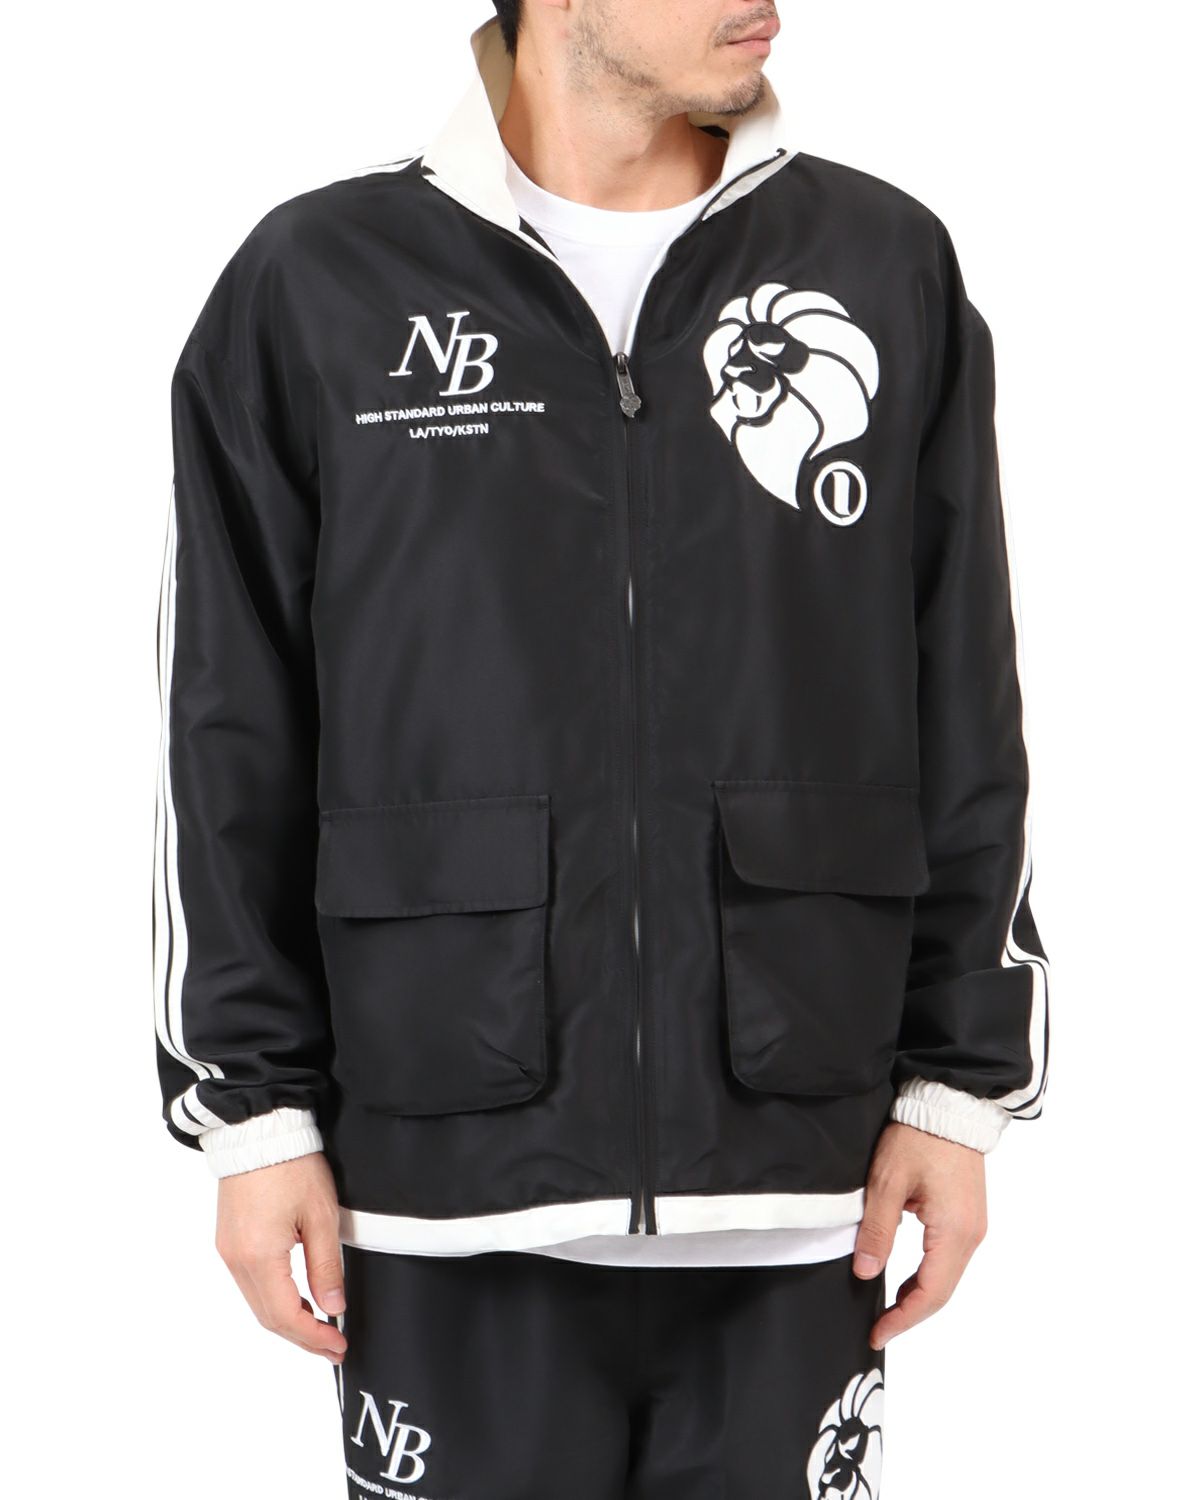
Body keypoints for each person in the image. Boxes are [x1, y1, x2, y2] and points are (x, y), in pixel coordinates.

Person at [152, 3, 1050, 1495]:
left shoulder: (881, 265)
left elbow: (964, 693)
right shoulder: (319, 282)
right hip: (444, 1172)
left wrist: (957, 1095)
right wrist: (252, 1119)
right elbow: (227, 724)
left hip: (796, 1169)